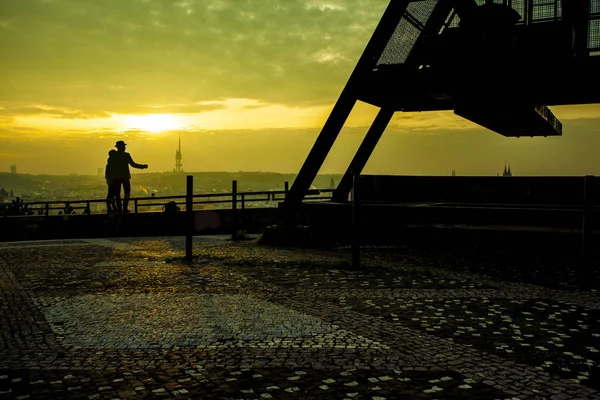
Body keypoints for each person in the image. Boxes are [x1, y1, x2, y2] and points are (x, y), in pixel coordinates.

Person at [105, 140, 148, 214]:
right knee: (127, 193)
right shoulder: (126, 155)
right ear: (121, 147)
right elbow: (133, 164)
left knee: (117, 195)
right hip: (125, 177)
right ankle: (124, 208)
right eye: (124, 146)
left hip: (116, 178)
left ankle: (120, 209)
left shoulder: (114, 156)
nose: (125, 148)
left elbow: (110, 168)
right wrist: (142, 166)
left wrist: (109, 178)